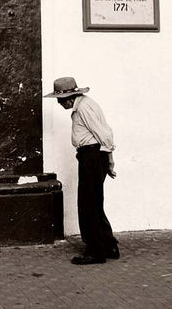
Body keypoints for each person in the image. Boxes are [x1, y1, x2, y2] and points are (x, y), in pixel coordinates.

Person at [44, 76, 120, 265]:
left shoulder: (84, 108)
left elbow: (105, 135)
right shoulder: (85, 105)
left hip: (92, 156)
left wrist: (109, 160)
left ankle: (95, 251)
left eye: (60, 100)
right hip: (94, 156)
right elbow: (105, 133)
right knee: (94, 203)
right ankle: (108, 245)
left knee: (88, 205)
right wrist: (109, 161)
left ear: (68, 97)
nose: (60, 104)